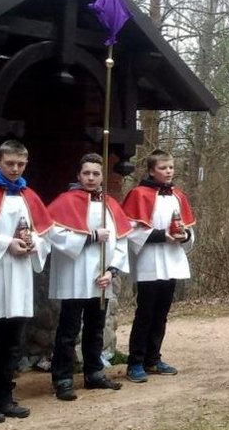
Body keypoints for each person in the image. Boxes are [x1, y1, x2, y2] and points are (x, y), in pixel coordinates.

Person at [0, 140, 53, 423]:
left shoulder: (28, 196)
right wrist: (6, 244)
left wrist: (36, 244)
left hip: (19, 278)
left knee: (12, 344)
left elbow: (44, 233)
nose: (15, 169)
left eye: (21, 164)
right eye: (10, 164)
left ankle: (5, 397)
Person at [46, 154, 131, 401]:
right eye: (86, 173)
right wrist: (90, 236)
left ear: (102, 176)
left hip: (101, 278)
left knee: (95, 329)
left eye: (96, 173)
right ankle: (62, 377)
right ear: (78, 175)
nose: (91, 178)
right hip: (74, 275)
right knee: (68, 330)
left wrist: (111, 271)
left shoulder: (110, 205)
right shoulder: (64, 201)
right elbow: (53, 233)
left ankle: (94, 372)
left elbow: (122, 241)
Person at [122, 149, 196, 383]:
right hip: (150, 261)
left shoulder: (178, 196)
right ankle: (135, 362)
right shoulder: (138, 194)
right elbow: (131, 230)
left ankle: (153, 358)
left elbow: (188, 227)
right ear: (152, 171)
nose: (168, 172)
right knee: (145, 313)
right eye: (163, 168)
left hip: (171, 260)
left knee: (161, 314)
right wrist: (162, 236)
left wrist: (184, 236)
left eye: (171, 167)